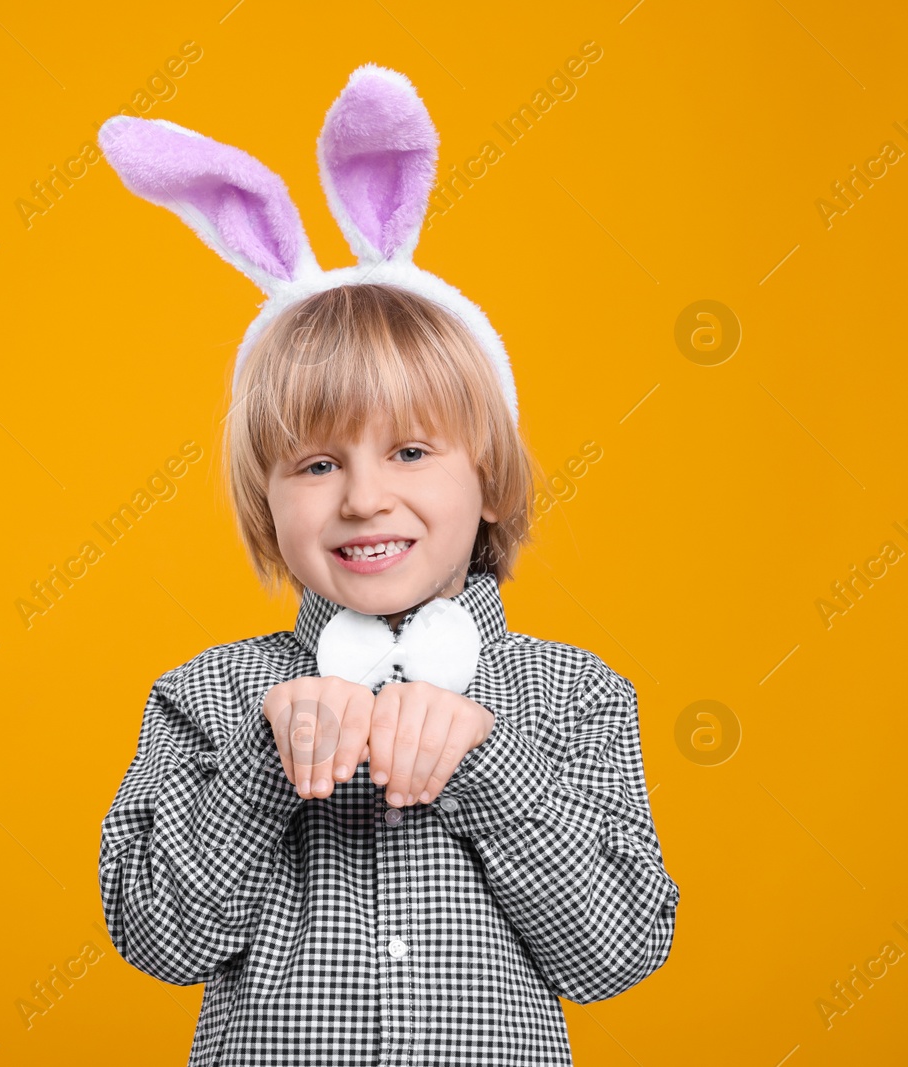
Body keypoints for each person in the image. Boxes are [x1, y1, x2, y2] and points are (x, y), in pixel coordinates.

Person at [94, 64, 680, 1067]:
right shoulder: (207, 696)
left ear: (489, 481)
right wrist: (256, 771)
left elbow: (614, 952)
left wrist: (490, 769)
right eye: (318, 464)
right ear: (265, 505)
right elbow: (158, 937)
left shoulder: (575, 695)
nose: (363, 496)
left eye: (410, 452)